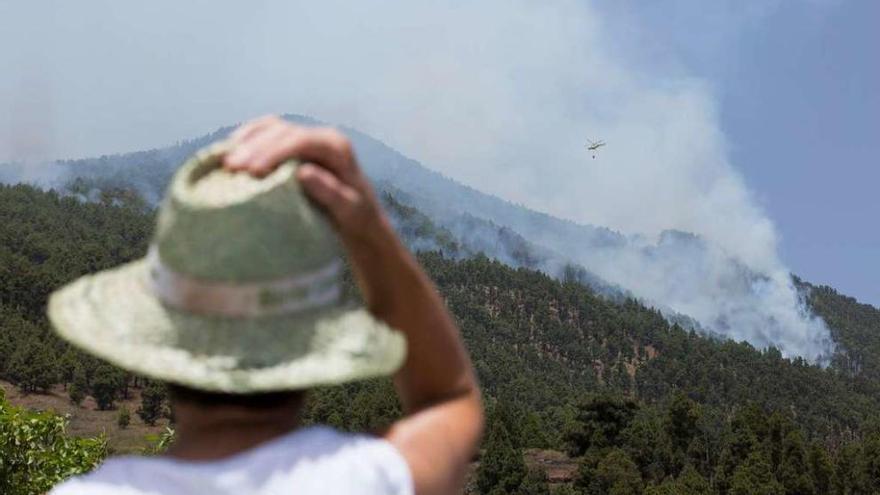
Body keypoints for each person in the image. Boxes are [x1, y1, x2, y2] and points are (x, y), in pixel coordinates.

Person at [48, 115, 484, 495]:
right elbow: (448, 400)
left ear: (158, 337)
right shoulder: (364, 479)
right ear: (310, 344)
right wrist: (367, 225)